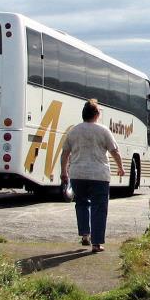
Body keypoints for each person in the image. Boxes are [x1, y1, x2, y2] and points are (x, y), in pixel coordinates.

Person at [60, 99, 125, 253]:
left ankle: (84, 235)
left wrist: (64, 171)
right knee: (99, 208)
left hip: (77, 174)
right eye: (99, 111)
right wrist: (120, 167)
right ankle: (96, 244)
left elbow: (65, 153)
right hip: (99, 175)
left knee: (81, 203)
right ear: (95, 114)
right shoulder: (103, 131)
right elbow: (114, 151)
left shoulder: (74, 131)